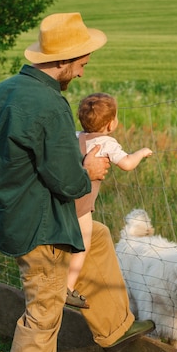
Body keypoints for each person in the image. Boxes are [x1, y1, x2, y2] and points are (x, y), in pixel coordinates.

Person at [0, 12, 155, 352]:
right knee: (43, 314)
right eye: (82, 62)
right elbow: (68, 179)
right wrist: (91, 168)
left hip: (12, 210)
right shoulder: (49, 104)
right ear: (64, 60)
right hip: (41, 223)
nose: (83, 68)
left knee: (97, 235)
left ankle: (114, 326)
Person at [66, 92, 153, 309]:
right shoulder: (107, 142)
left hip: (64, 200)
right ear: (111, 123)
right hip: (82, 206)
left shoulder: (74, 136)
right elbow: (126, 164)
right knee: (83, 244)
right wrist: (141, 152)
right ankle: (67, 287)